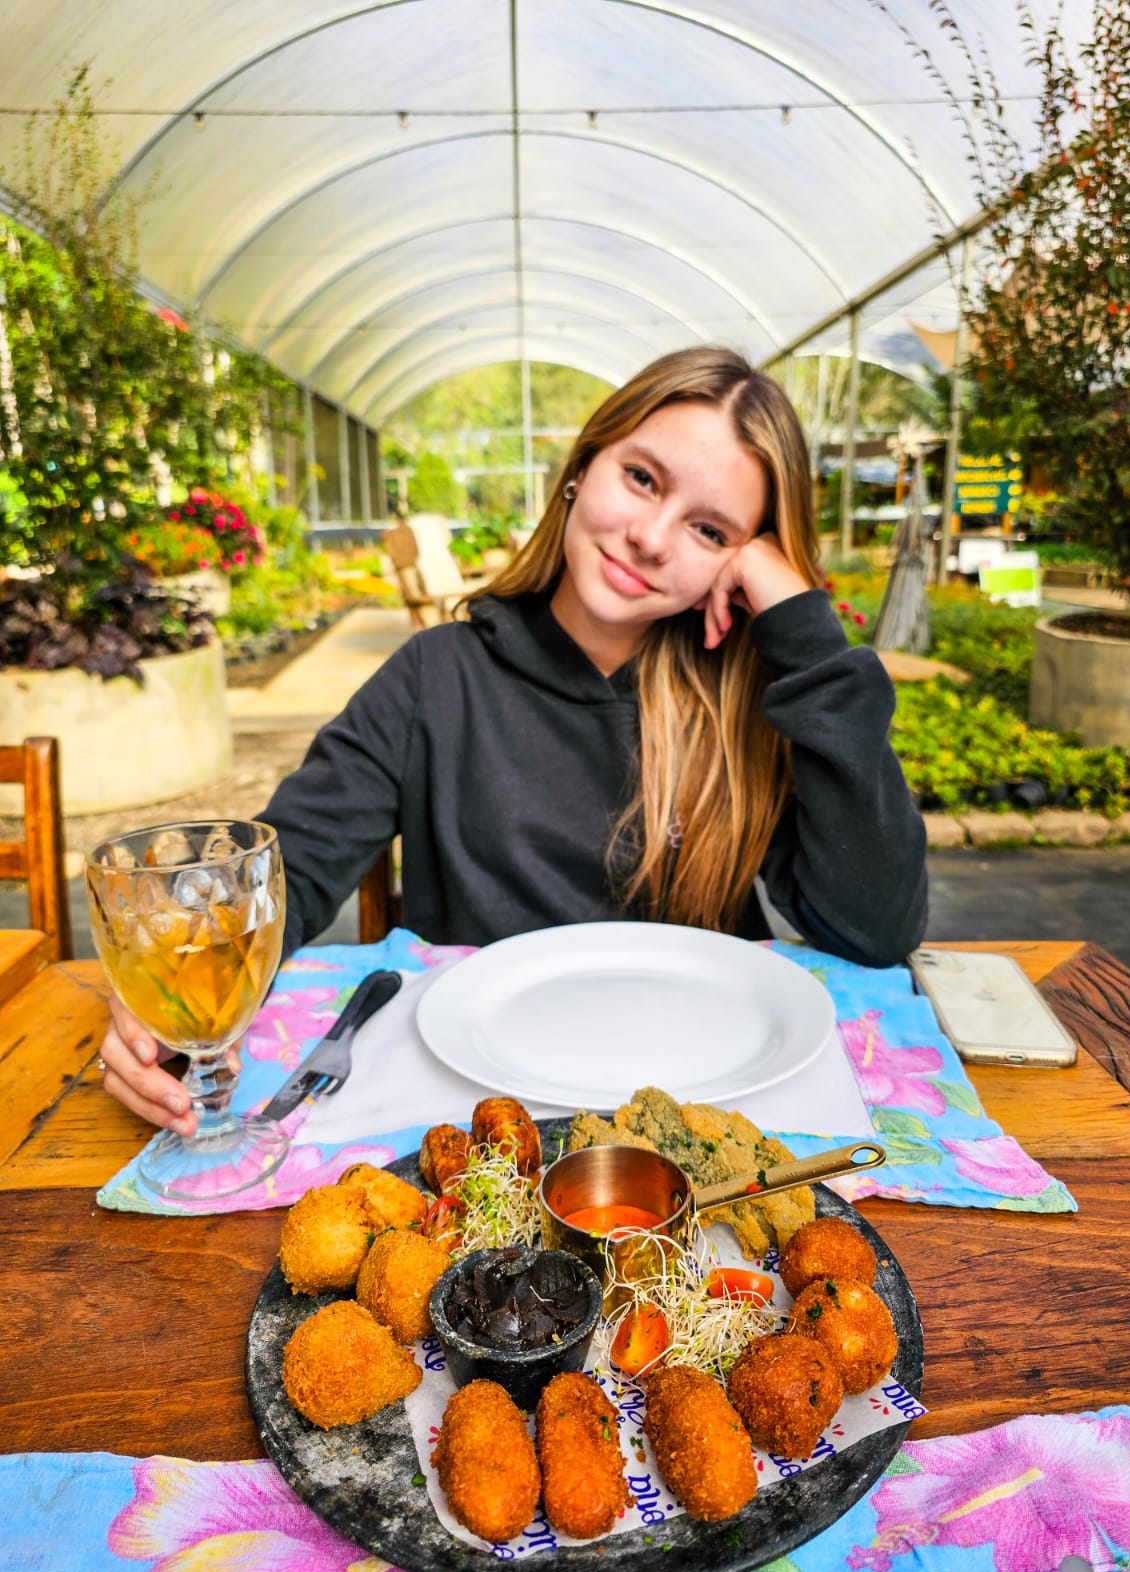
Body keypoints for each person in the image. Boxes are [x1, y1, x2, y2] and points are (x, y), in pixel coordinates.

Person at [99, 346, 927, 1135]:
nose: (652, 536)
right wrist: (169, 996)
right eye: (641, 479)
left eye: (711, 531)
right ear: (580, 467)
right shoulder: (435, 676)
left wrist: (805, 634)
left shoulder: (743, 707)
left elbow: (873, 931)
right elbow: (292, 874)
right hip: (477, 1109)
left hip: (706, 1102)